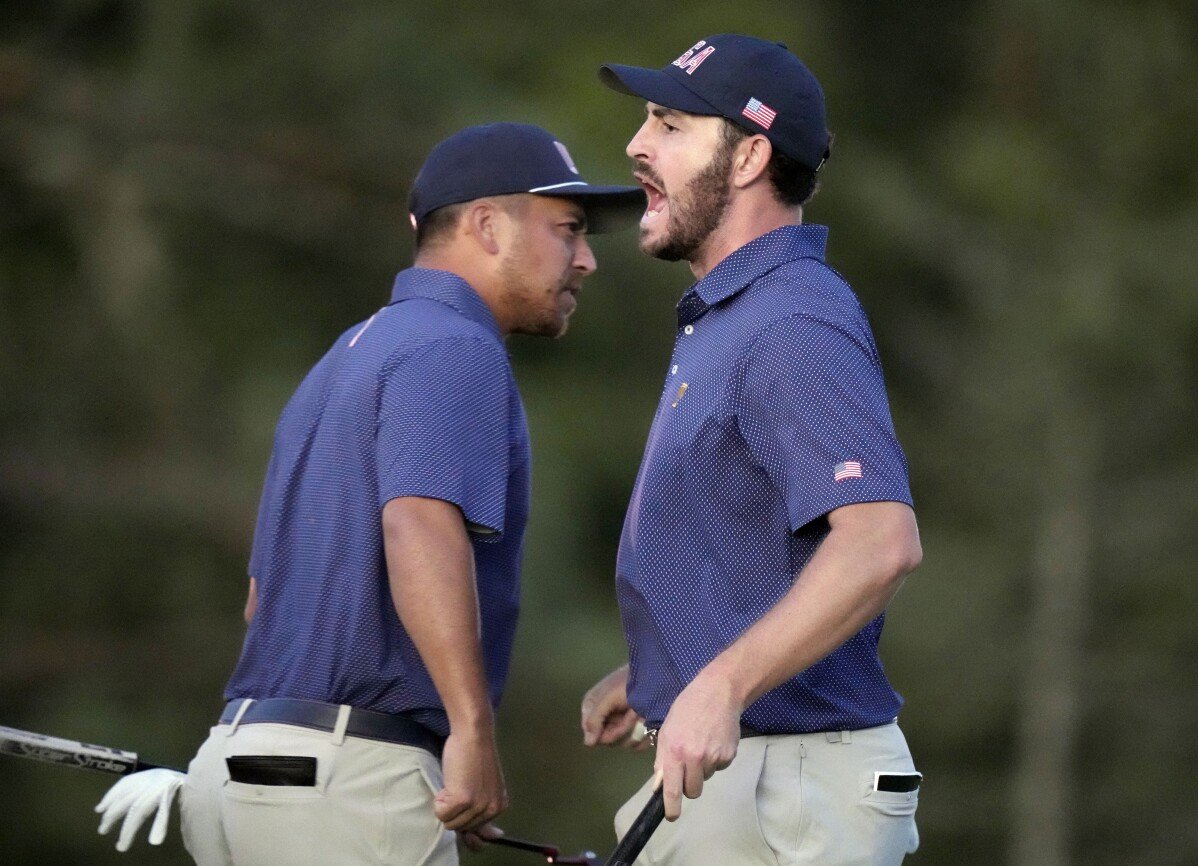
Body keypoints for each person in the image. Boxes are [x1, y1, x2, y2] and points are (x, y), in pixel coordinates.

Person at [93, 122, 643, 865]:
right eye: (568, 229)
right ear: (486, 225)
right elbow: (417, 529)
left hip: (239, 769)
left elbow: (264, 597)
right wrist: (470, 738)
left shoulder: (350, 353)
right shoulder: (457, 345)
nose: (586, 259)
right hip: (345, 778)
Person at [579, 35, 924, 865]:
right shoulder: (737, 315)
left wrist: (721, 684)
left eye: (668, 123)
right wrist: (669, 663)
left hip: (795, 788)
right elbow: (756, 542)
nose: (636, 146)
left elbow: (880, 542)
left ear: (748, 158)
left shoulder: (792, 321)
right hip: (760, 780)